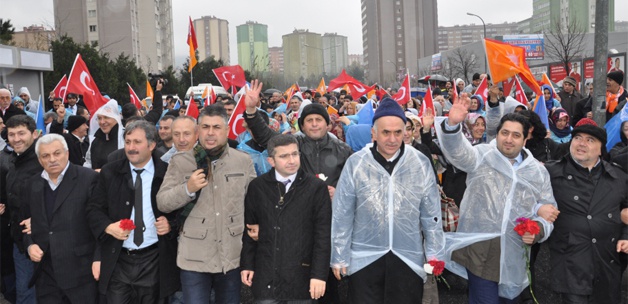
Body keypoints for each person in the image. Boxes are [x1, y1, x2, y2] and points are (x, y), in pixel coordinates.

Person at [434, 96, 557, 303]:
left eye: (516, 135)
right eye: (505, 133)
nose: (509, 139)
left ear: (526, 138)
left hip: (514, 253)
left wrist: (538, 229)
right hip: (480, 250)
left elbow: (549, 209)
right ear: (497, 134)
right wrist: (453, 125)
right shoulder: (482, 156)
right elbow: (458, 152)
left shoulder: (537, 171)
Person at [331, 98, 445, 304]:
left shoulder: (419, 163)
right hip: (365, 258)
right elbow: (342, 212)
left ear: (406, 132)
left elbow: (431, 213)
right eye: (385, 132)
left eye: (398, 132)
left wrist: (435, 253)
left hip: (407, 258)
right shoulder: (356, 164)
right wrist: (339, 254)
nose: (392, 139)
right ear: (373, 133)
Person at [156, 105, 255, 303]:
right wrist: (187, 189)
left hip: (231, 256)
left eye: (217, 127)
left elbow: (254, 202)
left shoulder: (242, 161)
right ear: (198, 131)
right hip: (194, 258)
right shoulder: (181, 161)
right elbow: (163, 202)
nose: (211, 133)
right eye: (205, 127)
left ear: (227, 131)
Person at [87, 120, 180, 303]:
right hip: (118, 258)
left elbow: (181, 210)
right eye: (128, 142)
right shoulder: (110, 172)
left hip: (154, 259)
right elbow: (93, 209)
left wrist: (171, 224)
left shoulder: (167, 173)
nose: (131, 147)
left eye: (137, 142)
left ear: (152, 145)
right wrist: (107, 227)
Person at [240, 135, 331, 302]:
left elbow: (323, 236)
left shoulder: (316, 188)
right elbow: (249, 230)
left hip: (301, 277)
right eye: (284, 156)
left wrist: (319, 275)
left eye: (295, 154)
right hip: (266, 276)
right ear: (271, 161)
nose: (292, 160)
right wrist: (247, 264)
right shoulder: (257, 187)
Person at [546, 124, 628, 303]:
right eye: (577, 138)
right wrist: (539, 209)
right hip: (571, 261)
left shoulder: (618, 177)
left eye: (590, 140)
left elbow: (626, 211)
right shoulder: (550, 173)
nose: (581, 143)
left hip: (607, 261)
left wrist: (625, 236)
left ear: (601, 149)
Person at [21, 134, 99, 303]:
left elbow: (99, 223)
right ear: (39, 160)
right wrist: (30, 245)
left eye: (57, 153)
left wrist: (99, 258)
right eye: (45, 156)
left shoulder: (88, 178)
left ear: (67, 153)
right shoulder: (32, 184)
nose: (52, 159)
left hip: (81, 273)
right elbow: (26, 224)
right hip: (46, 275)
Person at [5, 115, 42, 304]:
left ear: (34, 134)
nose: (16, 138)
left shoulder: (43, 161)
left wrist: (38, 221)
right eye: (12, 134)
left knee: (29, 293)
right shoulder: (13, 160)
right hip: (19, 240)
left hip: (40, 240)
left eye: (21, 133)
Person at [84, 99, 124, 170]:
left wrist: (104, 173)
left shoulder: (125, 137)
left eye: (106, 117)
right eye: (99, 118)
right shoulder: (95, 140)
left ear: (116, 118)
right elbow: (88, 162)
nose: (102, 122)